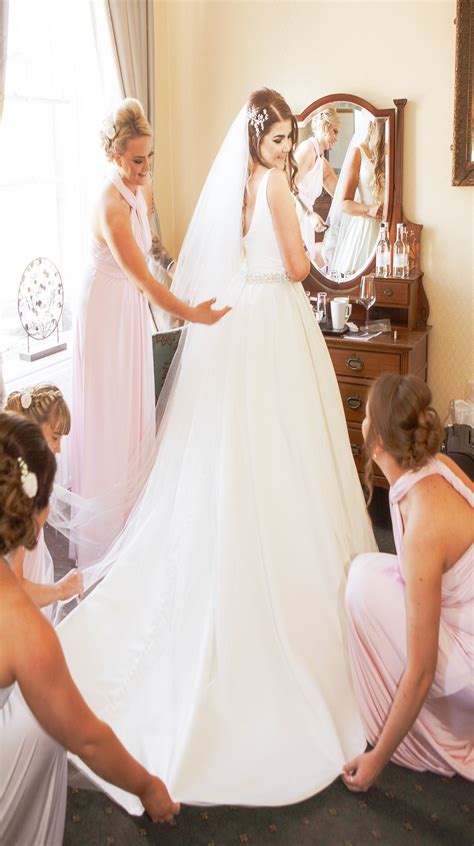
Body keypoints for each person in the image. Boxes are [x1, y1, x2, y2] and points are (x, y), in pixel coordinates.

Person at [57, 88, 377, 812]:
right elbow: (298, 268)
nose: (287, 147)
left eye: (291, 139)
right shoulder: (280, 191)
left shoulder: (242, 186)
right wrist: (315, 240)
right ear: (266, 140)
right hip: (278, 324)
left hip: (242, 326)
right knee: (287, 457)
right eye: (283, 138)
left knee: (238, 456)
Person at [0, 413, 179, 845]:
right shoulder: (23, 627)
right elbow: (90, 740)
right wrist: (149, 788)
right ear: (38, 512)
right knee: (47, 721)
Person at [71, 97, 229, 565]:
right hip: (105, 313)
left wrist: (178, 266)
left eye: (150, 157)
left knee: (135, 413)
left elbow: (152, 247)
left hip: (130, 311)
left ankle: (133, 523)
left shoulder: (143, 190)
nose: (145, 168)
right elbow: (141, 278)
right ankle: (104, 542)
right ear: (115, 156)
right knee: (110, 418)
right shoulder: (110, 208)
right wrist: (191, 313)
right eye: (137, 160)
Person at [343, 374, 473, 793]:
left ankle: (428, 729)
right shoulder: (443, 465)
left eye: (365, 416)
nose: (361, 423)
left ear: (378, 439)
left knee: (361, 585)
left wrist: (376, 759)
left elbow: (422, 670)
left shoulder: (422, 526)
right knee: (366, 569)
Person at [4, 384, 83, 622]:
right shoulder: (22, 497)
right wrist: (62, 589)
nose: (58, 449)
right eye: (55, 437)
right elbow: (15, 588)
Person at [324, 117, 385, 280]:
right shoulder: (358, 152)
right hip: (365, 229)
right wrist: (369, 209)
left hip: (388, 229)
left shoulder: (392, 150)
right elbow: (344, 203)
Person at [294, 105, 339, 261]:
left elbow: (340, 194)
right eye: (335, 131)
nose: (336, 138)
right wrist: (309, 214)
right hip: (295, 217)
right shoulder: (307, 150)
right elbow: (287, 187)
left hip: (306, 220)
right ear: (326, 127)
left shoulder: (322, 162)